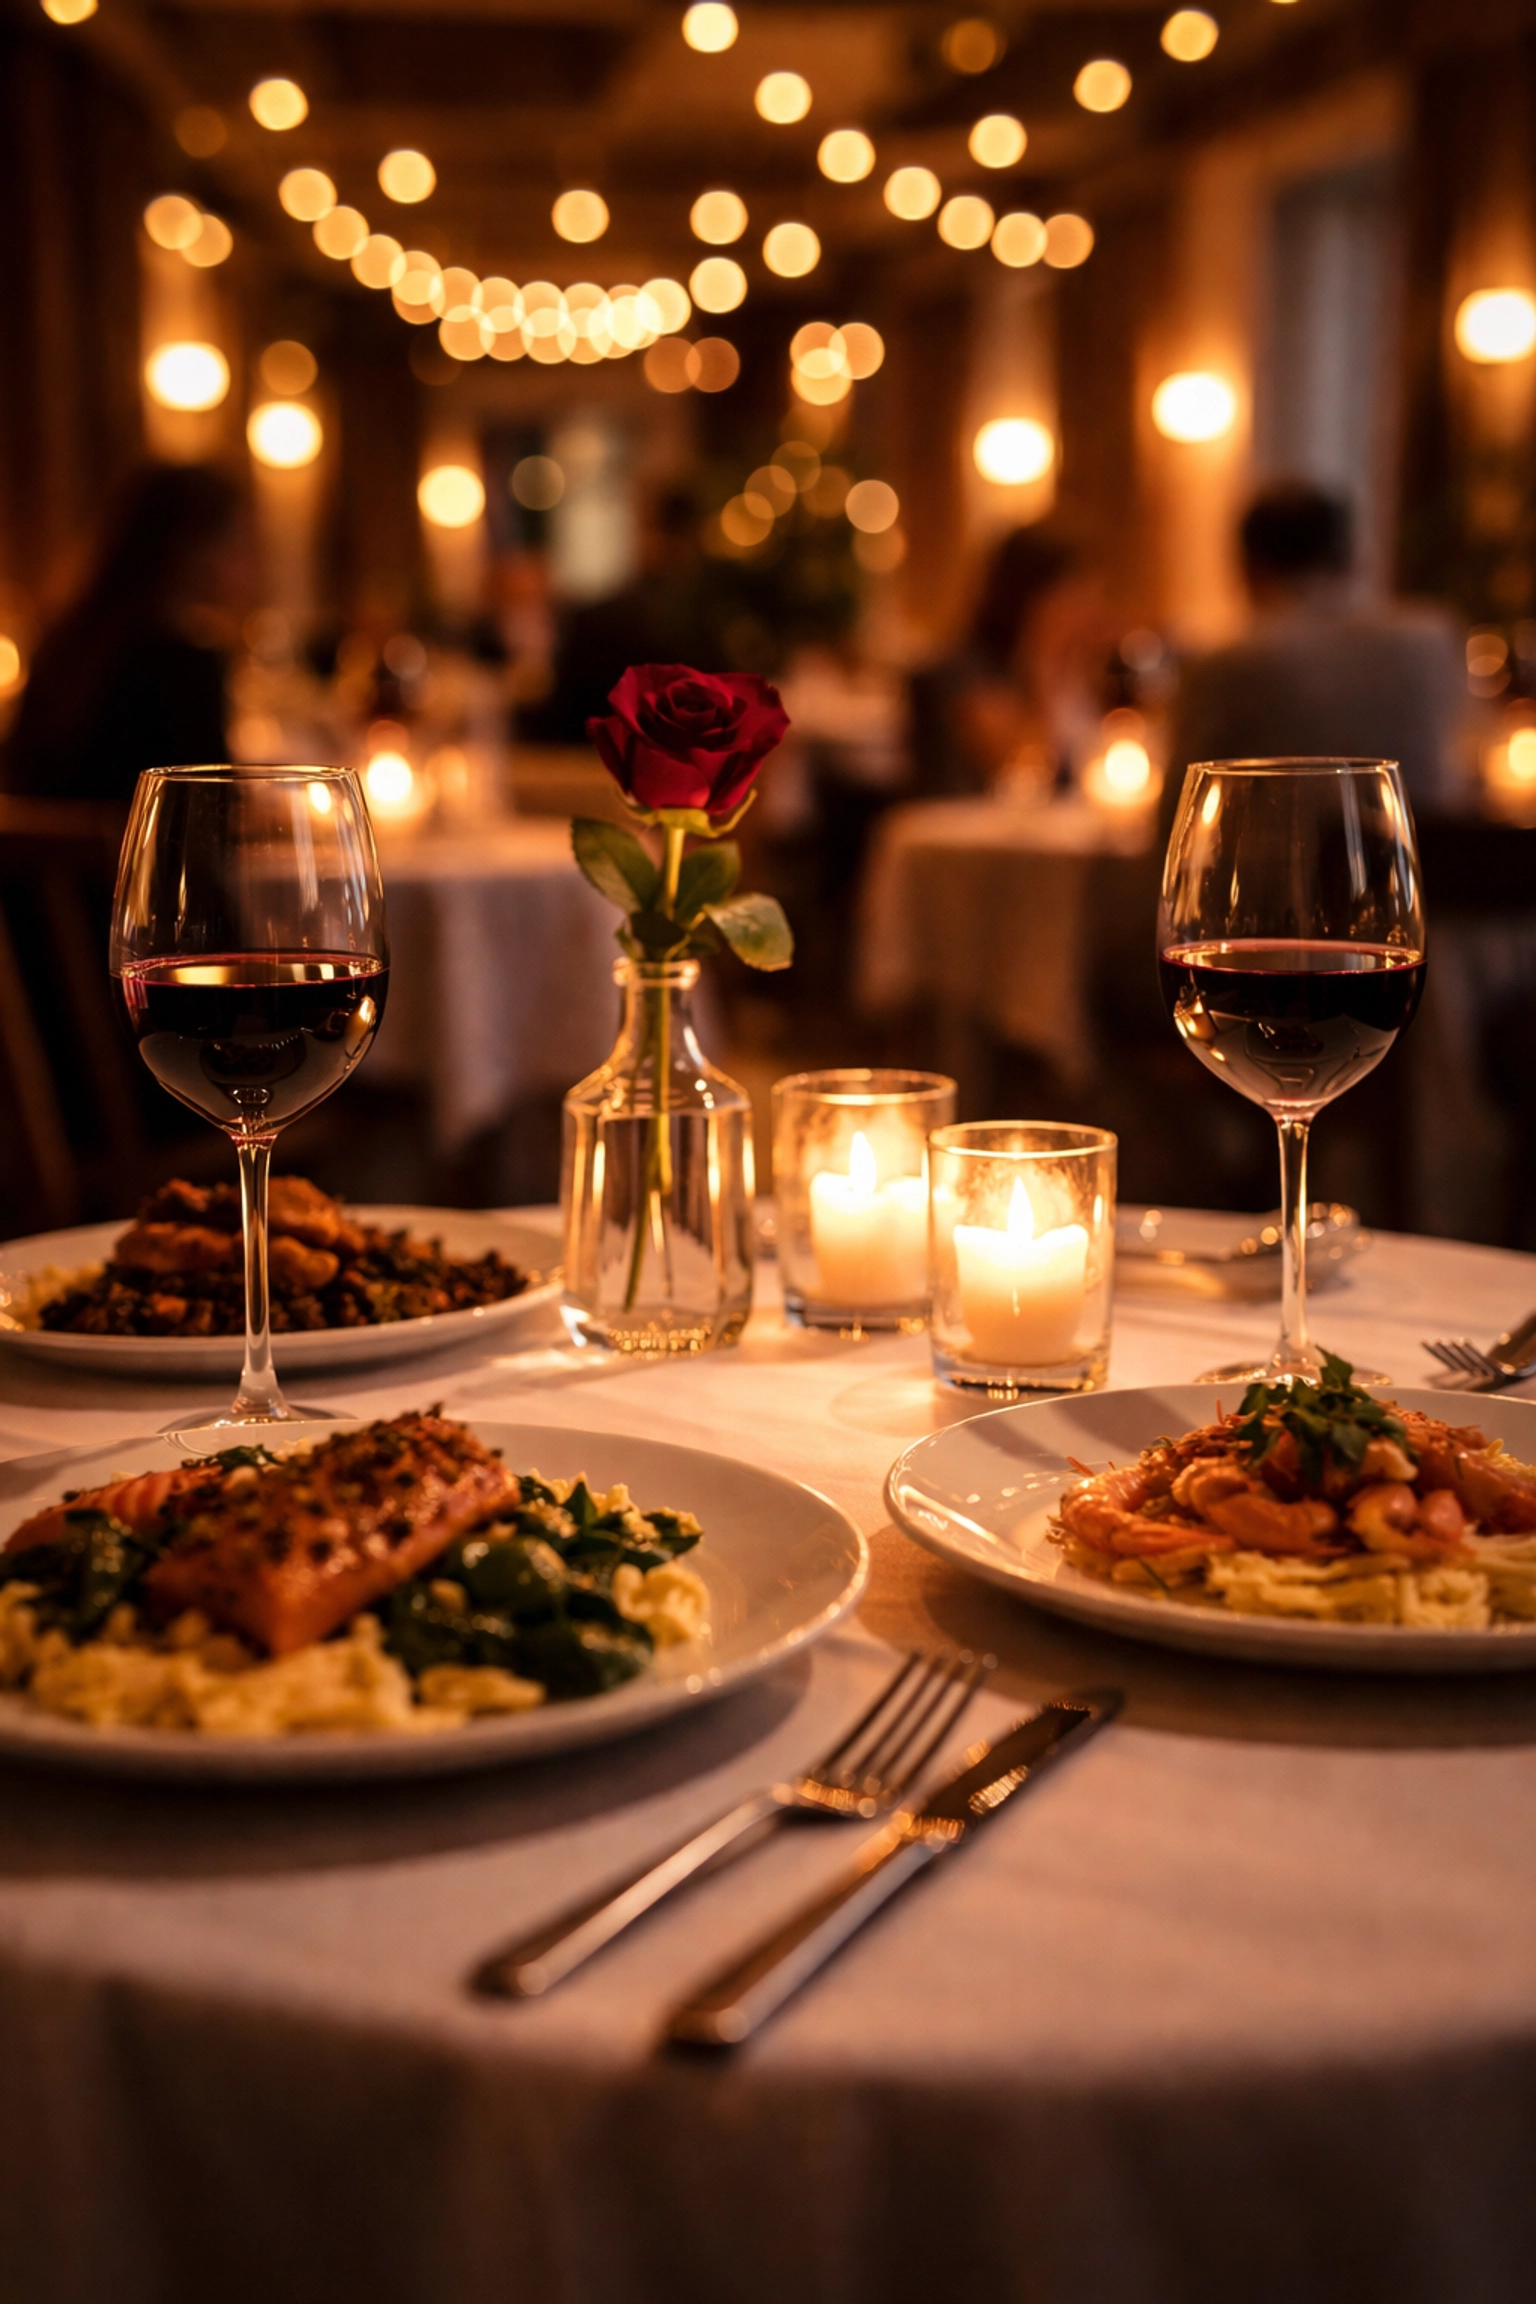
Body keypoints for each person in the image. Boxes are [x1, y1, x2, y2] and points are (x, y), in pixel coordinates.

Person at [1167, 482, 1467, 814]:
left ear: (1250, 568)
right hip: (1421, 846)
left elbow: (1180, 811)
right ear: (1352, 560)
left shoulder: (1226, 669)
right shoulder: (1431, 642)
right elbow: (1469, 772)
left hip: (1274, 849)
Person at [3, 463, 247, 803]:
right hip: (131, 839)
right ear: (191, 549)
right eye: (237, 546)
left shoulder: (67, 641)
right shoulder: (181, 665)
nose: (246, 566)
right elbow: (212, 804)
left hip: (40, 840)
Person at [913, 524, 1111, 797]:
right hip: (974, 820)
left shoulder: (1081, 668)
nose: (1087, 609)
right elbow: (1021, 766)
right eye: (1073, 593)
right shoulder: (968, 669)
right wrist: (1043, 665)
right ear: (1032, 597)